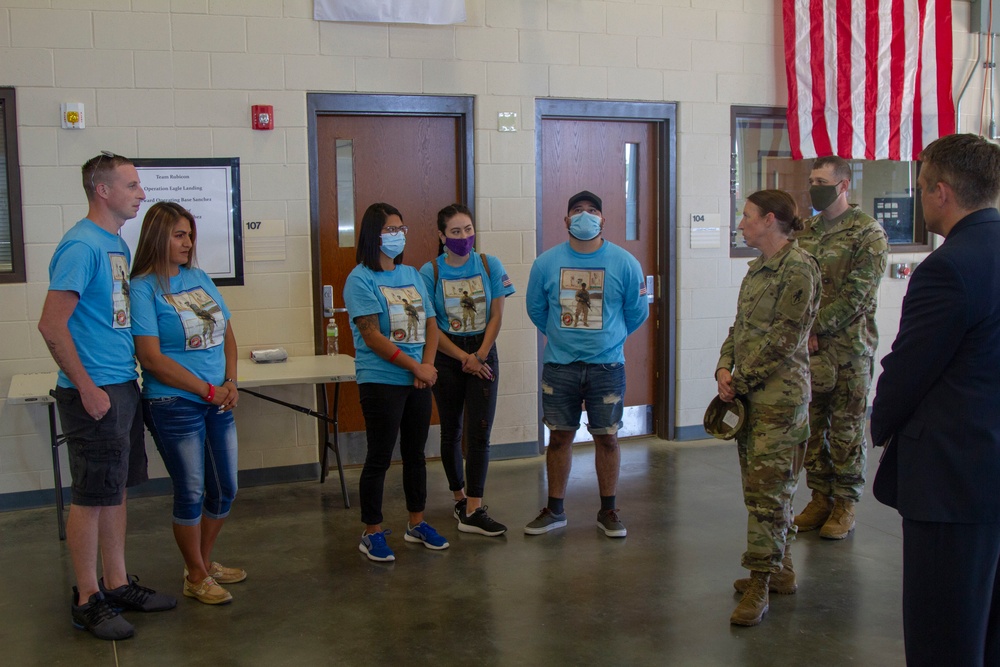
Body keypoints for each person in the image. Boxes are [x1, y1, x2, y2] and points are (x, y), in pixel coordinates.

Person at [870, 133, 1000, 666]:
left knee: (942, 633)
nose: (921, 199)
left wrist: (879, 424)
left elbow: (909, 370)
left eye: (921, 188)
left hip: (953, 478)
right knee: (989, 628)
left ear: (941, 192)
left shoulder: (947, 268)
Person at [37, 152, 176, 641]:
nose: (141, 193)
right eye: (132, 185)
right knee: (91, 496)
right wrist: (88, 387)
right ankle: (86, 598)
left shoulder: (113, 242)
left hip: (121, 384)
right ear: (102, 190)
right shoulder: (80, 246)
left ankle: (115, 584)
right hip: (93, 390)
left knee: (114, 490)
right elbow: (51, 326)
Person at [130, 202, 245, 606]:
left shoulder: (198, 277)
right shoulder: (143, 287)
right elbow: (151, 358)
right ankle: (195, 575)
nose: (188, 242)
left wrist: (229, 381)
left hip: (217, 397)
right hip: (174, 402)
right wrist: (207, 390)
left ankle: (203, 562)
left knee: (225, 488)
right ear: (157, 237)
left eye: (190, 234)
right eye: (179, 234)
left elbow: (227, 335)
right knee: (192, 490)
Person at [716, 190, 821, 627]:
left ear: (770, 220)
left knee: (769, 495)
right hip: (750, 399)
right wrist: (724, 365)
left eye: (746, 216)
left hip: (780, 404)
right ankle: (781, 571)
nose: (741, 224)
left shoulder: (798, 270)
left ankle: (759, 582)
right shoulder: (758, 270)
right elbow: (740, 328)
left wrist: (739, 380)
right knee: (764, 492)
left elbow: (786, 340)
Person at [524, 190, 649, 538]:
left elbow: (637, 312)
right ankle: (555, 510)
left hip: (606, 367)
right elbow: (536, 309)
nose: (584, 216)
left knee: (607, 439)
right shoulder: (545, 263)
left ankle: (608, 510)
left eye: (592, 210)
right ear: (566, 220)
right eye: (577, 210)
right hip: (560, 367)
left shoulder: (625, 263)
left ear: (603, 219)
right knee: (560, 437)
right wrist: (561, 337)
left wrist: (611, 337)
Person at [344, 202, 447, 562]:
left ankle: (416, 523)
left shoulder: (412, 274)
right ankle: (371, 531)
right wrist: (414, 367)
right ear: (374, 235)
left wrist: (427, 365)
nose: (398, 235)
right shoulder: (360, 278)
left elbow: (431, 322)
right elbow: (371, 336)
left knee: (416, 454)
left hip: (419, 378)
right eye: (391, 229)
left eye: (401, 228)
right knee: (379, 457)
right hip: (382, 380)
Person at [793, 155, 888, 540]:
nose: (814, 186)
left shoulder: (868, 234)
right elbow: (797, 285)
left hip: (850, 351)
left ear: (843, 185)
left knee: (847, 429)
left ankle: (846, 502)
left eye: (821, 180)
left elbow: (857, 296)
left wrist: (816, 326)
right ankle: (820, 497)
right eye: (812, 179)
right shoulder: (807, 231)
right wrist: (804, 329)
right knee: (813, 427)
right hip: (811, 351)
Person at [419, 204, 516, 537]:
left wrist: (481, 355)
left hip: (483, 352)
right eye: (456, 231)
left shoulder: (489, 264)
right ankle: (459, 496)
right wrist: (464, 357)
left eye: (468, 229)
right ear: (442, 235)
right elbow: (431, 326)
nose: (464, 237)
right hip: (448, 356)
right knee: (452, 429)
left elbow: (497, 315)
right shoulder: (429, 272)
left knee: (480, 432)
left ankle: (474, 507)